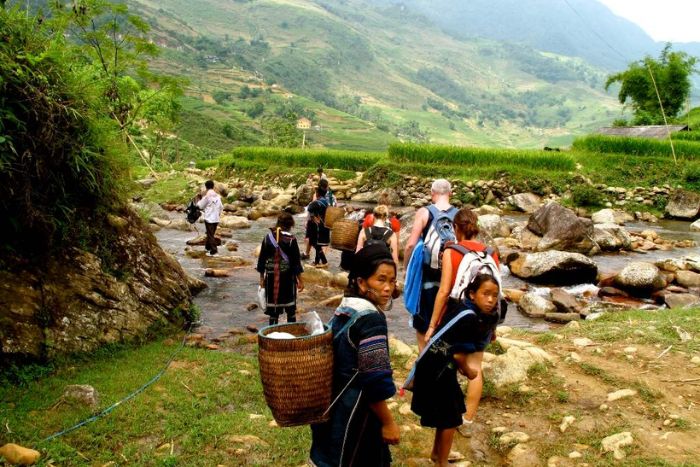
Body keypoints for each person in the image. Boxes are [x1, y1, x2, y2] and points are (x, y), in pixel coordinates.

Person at [310, 244, 400, 467]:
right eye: (381, 280)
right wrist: (388, 422)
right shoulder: (371, 319)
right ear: (361, 282)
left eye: (392, 280)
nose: (388, 288)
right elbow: (375, 378)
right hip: (357, 411)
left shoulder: (346, 308)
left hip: (334, 400)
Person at [409, 273, 500, 466]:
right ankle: (442, 462)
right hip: (439, 371)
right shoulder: (471, 320)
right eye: (486, 294)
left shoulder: (460, 308)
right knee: (451, 419)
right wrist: (469, 372)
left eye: (495, 295)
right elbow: (459, 356)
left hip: (432, 365)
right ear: (473, 294)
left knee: (445, 414)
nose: (491, 300)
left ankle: (436, 454)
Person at [403, 179, 457, 351]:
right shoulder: (459, 214)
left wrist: (406, 268)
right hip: (450, 280)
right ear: (450, 193)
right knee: (445, 320)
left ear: (432, 194)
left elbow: (410, 244)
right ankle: (442, 359)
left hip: (426, 277)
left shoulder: (425, 212)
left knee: (423, 323)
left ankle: (423, 357)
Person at [256, 213, 304, 325]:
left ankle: (272, 334)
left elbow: (262, 261)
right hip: (287, 279)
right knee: (290, 310)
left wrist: (262, 279)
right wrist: (301, 281)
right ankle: (291, 332)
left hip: (272, 279)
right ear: (290, 225)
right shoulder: (291, 240)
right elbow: (296, 263)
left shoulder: (267, 238)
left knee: (273, 311)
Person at [197, 180, 223, 256]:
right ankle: (207, 248)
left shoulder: (207, 196)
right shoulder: (218, 196)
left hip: (209, 219)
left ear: (206, 187)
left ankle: (214, 251)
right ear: (213, 186)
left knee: (210, 235)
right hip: (216, 218)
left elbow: (200, 205)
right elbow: (221, 207)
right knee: (211, 234)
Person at [307, 187, 331, 268]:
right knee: (318, 244)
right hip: (325, 225)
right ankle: (317, 262)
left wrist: (313, 217)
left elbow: (309, 207)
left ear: (317, 193)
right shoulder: (326, 202)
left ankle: (324, 262)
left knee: (316, 244)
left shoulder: (318, 202)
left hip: (318, 226)